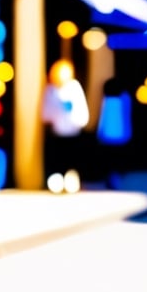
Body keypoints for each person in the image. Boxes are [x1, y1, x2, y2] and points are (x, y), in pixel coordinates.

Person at [41, 58, 89, 193]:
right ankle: (57, 181)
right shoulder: (50, 90)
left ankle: (71, 181)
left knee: (72, 158)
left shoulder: (74, 87)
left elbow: (81, 109)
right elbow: (45, 113)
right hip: (58, 132)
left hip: (73, 131)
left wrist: (78, 120)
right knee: (58, 159)